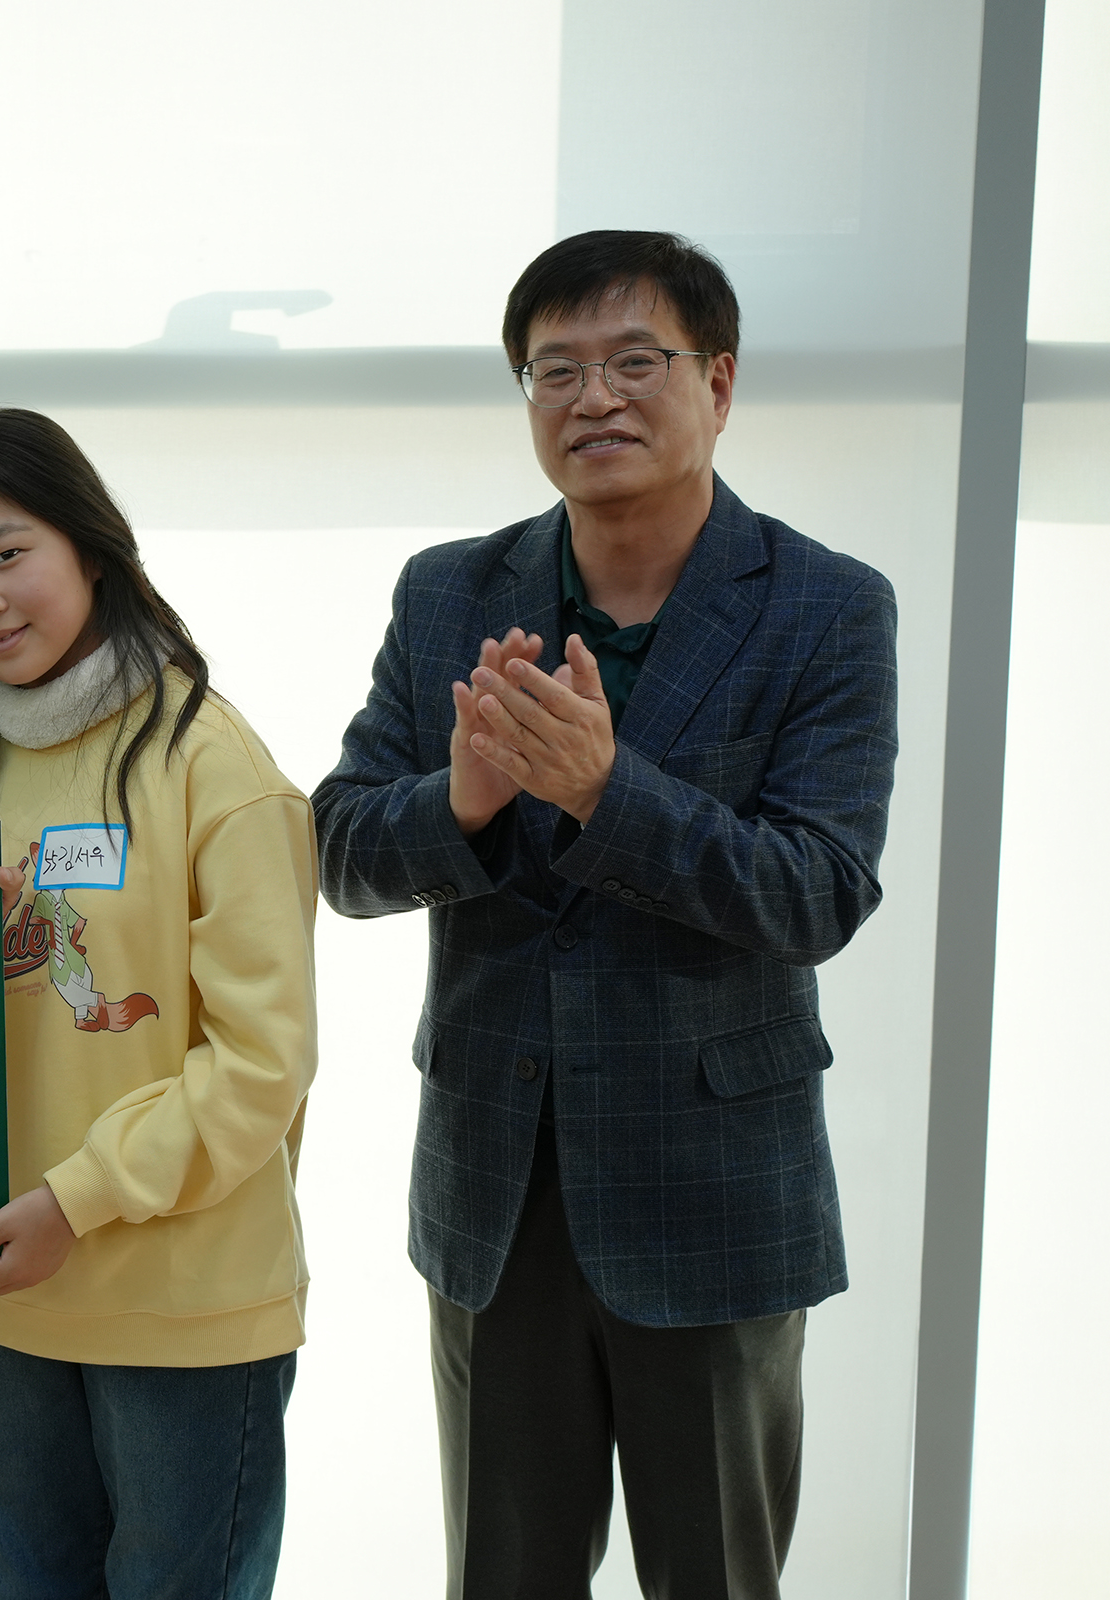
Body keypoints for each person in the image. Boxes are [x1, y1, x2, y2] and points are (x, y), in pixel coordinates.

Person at [313, 231, 900, 1599]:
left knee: (717, 1576)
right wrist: (460, 804)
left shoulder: (825, 605)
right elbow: (341, 850)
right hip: (495, 1192)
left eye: (637, 361)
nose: (594, 398)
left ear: (719, 383)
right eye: (556, 369)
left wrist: (602, 790)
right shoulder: (449, 590)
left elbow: (820, 888)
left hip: (715, 1195)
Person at [0, 407, 318, 1599]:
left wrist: (79, 1198)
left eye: (8, 553)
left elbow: (262, 1065)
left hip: (186, 1309)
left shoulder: (213, 764)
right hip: (8, 1300)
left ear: (92, 549)